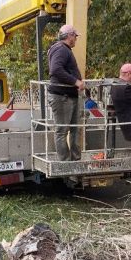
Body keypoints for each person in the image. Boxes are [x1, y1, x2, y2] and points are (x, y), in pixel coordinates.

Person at [47, 24, 85, 161]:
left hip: (68, 95)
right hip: (62, 96)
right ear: (70, 36)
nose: (76, 39)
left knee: (75, 128)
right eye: (75, 36)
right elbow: (56, 70)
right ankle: (65, 163)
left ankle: (75, 160)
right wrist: (76, 82)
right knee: (62, 131)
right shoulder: (61, 49)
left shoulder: (61, 49)